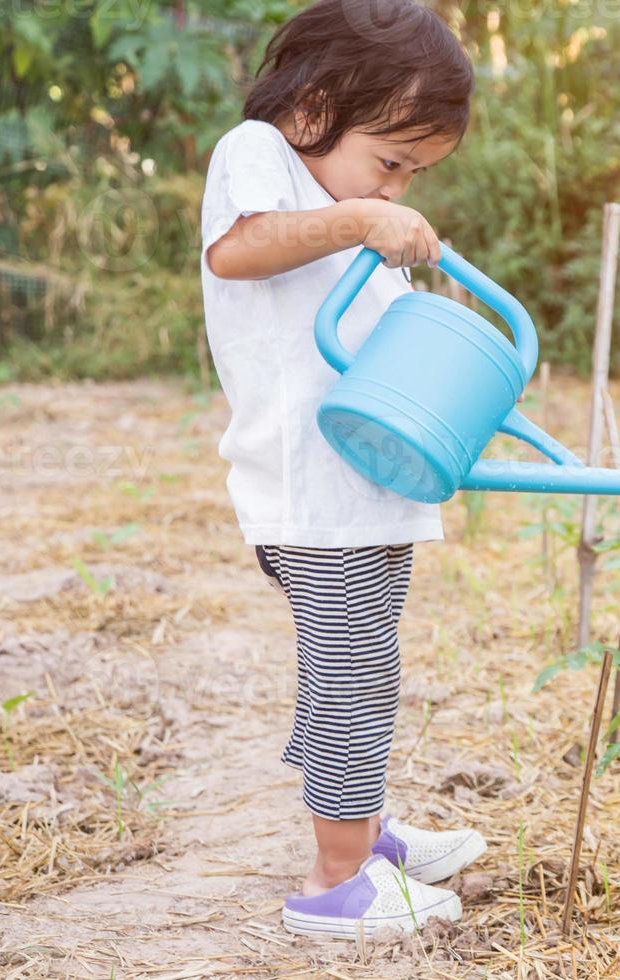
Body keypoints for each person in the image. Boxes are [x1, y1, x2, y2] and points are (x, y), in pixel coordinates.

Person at [199, 0, 485, 939]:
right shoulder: (260, 155)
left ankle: (366, 832)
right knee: (348, 671)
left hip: (367, 485)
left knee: (366, 667)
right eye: (392, 162)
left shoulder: (349, 209)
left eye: (414, 174)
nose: (398, 189)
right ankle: (337, 876)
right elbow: (237, 252)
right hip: (308, 490)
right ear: (316, 106)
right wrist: (360, 214)